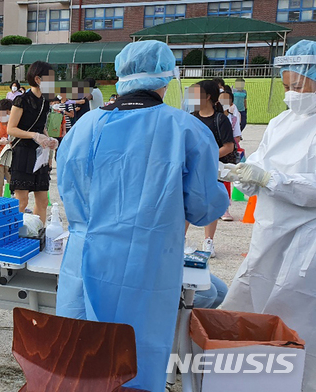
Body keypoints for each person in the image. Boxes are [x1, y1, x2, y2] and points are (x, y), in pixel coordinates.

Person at [56, 40, 229, 392]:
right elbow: (203, 209)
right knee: (134, 361)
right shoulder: (184, 129)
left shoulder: (85, 126)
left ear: (123, 77)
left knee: (82, 361)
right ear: (165, 79)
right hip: (142, 268)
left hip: (82, 262)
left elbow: (68, 193)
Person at [222, 39, 316, 392]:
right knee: (250, 304)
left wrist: (271, 179)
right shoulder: (280, 121)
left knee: (298, 318)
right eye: (288, 86)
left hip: (307, 238)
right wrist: (239, 174)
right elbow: (259, 164)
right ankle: (247, 380)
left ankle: (299, 384)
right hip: (268, 231)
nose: (293, 93)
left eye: (300, 86)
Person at [186, 80, 235, 257]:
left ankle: (208, 241)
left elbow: (229, 146)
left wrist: (206, 158)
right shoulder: (191, 117)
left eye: (196, 94)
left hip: (212, 169)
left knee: (210, 204)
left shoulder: (220, 119)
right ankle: (180, 239)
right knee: (187, 202)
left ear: (207, 97)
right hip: (192, 169)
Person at [7, 61, 59, 224]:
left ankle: (38, 233)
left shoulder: (45, 101)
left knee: (43, 201)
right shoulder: (21, 100)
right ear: (38, 79)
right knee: (21, 201)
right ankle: (13, 234)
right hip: (23, 152)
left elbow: (42, 126)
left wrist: (48, 139)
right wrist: (34, 136)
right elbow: (11, 129)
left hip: (40, 155)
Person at [218, 87, 242, 222]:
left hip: (227, 154)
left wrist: (228, 144)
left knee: (226, 180)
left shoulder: (232, 119)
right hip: (216, 151)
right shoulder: (214, 117)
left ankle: (225, 208)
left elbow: (237, 136)